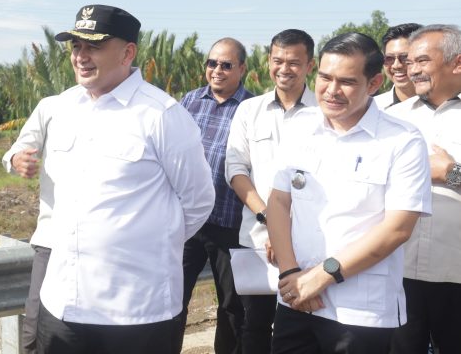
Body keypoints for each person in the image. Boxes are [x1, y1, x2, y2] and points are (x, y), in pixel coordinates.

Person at [35, 4, 215, 354]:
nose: (81, 56)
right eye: (76, 46)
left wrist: (146, 243)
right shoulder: (64, 107)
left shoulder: (161, 115)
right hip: (62, 303)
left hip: (137, 310)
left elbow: (198, 201)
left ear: (127, 53)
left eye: (94, 46)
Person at [266, 32, 431, 354]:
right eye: (325, 77)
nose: (332, 90)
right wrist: (291, 273)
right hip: (295, 298)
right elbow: (279, 201)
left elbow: (397, 229)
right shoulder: (299, 126)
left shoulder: (402, 140)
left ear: (374, 83)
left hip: (359, 310)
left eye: (346, 82)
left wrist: (322, 276)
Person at [225, 29, 316, 354]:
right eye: (278, 60)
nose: (284, 69)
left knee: (306, 323)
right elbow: (236, 170)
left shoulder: (325, 112)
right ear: (268, 61)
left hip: (310, 240)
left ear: (310, 65)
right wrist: (270, 221)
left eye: (294, 62)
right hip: (258, 239)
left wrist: (287, 233)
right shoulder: (249, 110)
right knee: (255, 325)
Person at [177, 37, 254, 354]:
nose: (217, 70)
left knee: (232, 306)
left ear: (242, 69)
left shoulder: (252, 109)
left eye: (226, 65)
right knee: (172, 296)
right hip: (188, 222)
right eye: (212, 63)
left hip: (230, 223)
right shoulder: (189, 101)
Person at [387, 24, 461, 353]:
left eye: (422, 61)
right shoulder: (390, 118)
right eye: (410, 62)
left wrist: (453, 173)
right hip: (397, 272)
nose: (411, 70)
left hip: (455, 272)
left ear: (456, 63)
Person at [2, 94, 59, 354]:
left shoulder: (142, 111)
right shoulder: (52, 107)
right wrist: (17, 159)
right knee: (34, 331)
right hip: (53, 241)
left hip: (106, 247)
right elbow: (17, 150)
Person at [374, 23, 422, 109]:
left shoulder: (443, 108)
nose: (396, 65)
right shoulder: (372, 108)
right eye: (389, 58)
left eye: (405, 57)